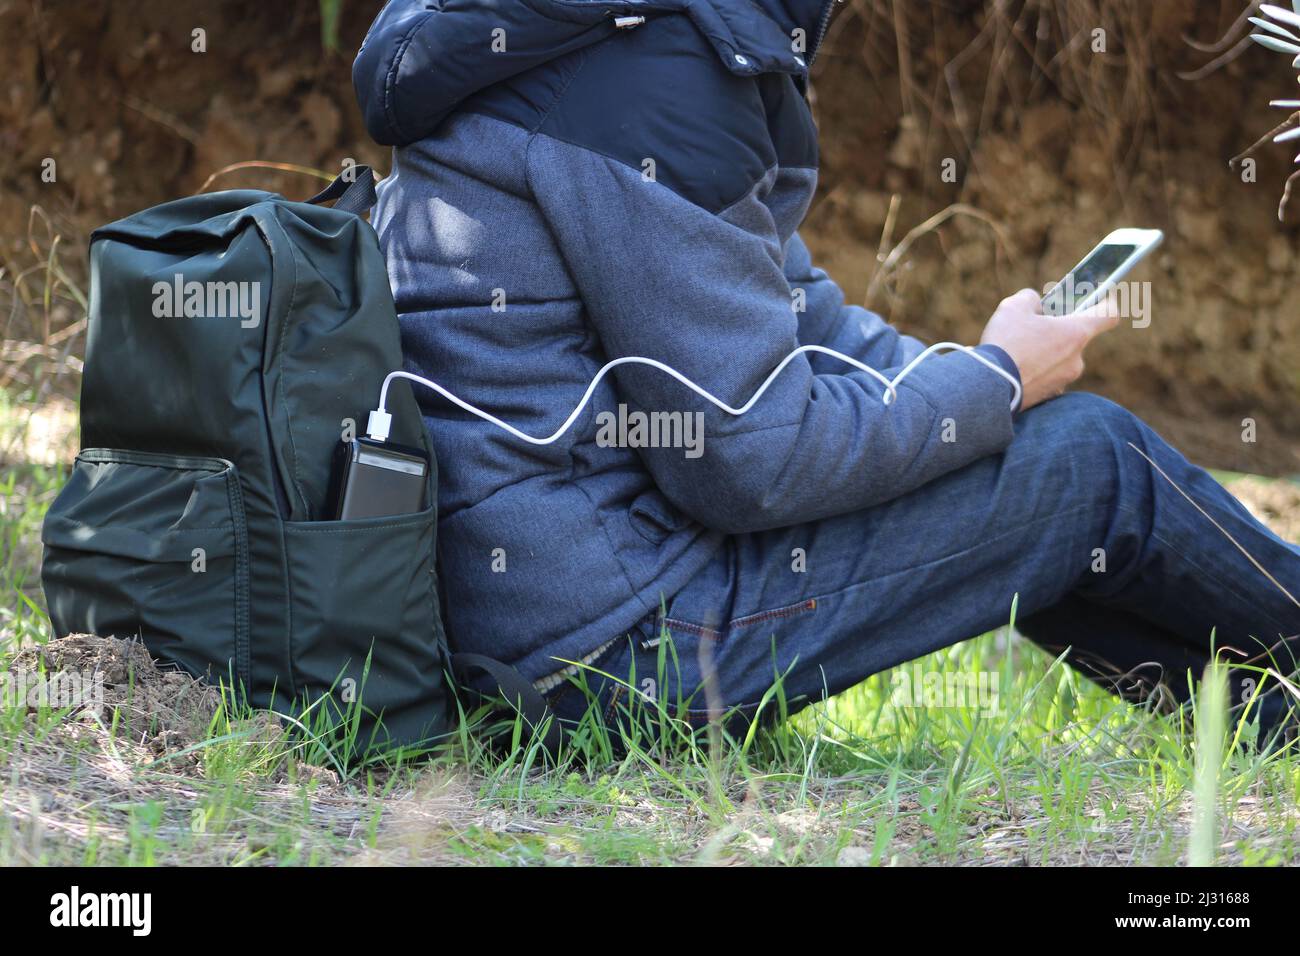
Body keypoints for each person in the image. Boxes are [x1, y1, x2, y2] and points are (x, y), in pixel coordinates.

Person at [353, 1, 1300, 739]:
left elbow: (795, 314)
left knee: (1031, 466)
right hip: (607, 657)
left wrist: (973, 372)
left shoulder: (584, 36)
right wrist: (996, 384)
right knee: (1094, 464)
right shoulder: (654, 74)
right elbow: (749, 460)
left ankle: (1270, 728)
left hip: (521, 626)